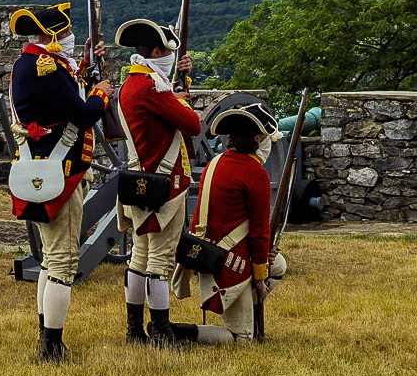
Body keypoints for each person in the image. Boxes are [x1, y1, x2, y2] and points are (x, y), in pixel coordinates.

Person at [8, 2, 113, 362]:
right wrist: (102, 91)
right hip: (60, 175)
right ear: (52, 36)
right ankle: (51, 346)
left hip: (41, 170)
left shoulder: (30, 62)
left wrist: (83, 64)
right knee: (64, 262)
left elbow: (60, 98)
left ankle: (46, 337)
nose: (68, 38)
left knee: (52, 261)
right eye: (66, 33)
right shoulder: (47, 67)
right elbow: (83, 114)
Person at [114, 18, 200, 345]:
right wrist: (180, 100)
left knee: (140, 256)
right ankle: (161, 331)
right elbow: (191, 124)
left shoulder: (133, 83)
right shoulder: (152, 86)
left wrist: (177, 86)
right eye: (166, 51)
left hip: (140, 182)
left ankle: (135, 329)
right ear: (154, 51)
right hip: (165, 184)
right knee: (160, 261)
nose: (169, 56)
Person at [173, 101, 288, 344]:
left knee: (277, 263)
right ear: (257, 138)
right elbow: (258, 232)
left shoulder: (215, 164)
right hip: (229, 264)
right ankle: (179, 332)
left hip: (207, 253)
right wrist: (258, 279)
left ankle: (248, 307)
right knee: (242, 339)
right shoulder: (256, 173)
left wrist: (265, 259)